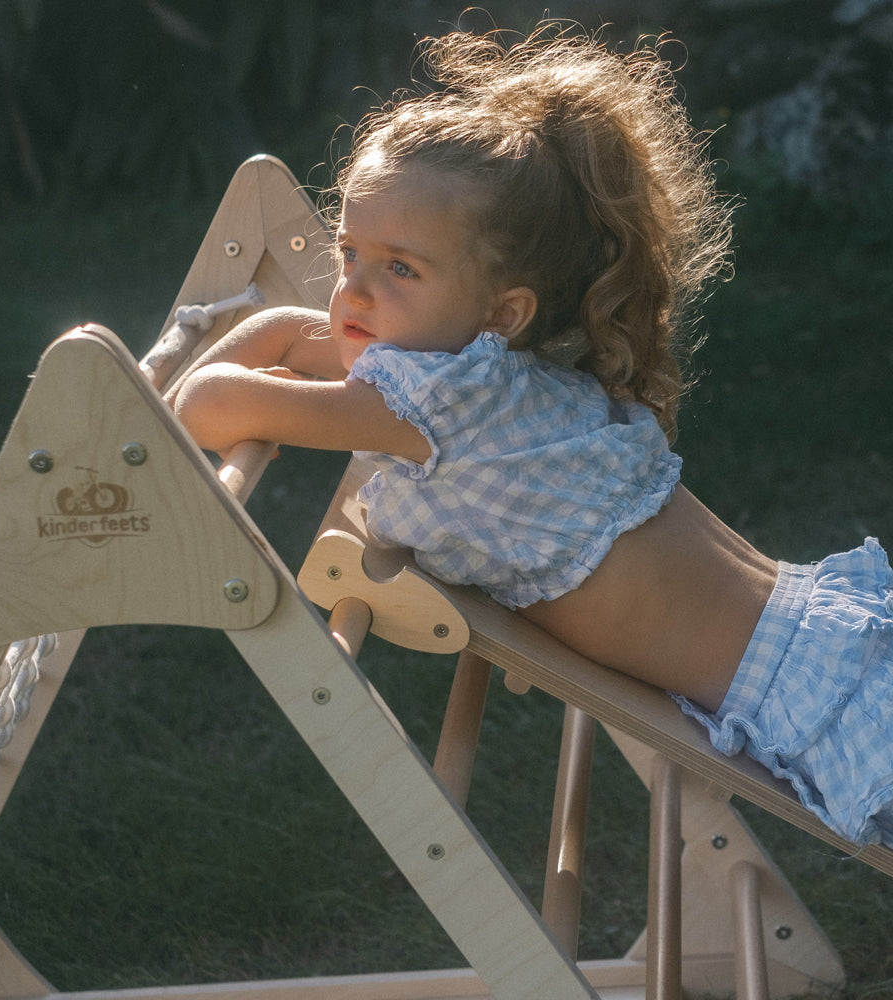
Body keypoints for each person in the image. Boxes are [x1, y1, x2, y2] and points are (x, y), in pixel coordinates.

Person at [166, 24, 892, 848]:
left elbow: (208, 406)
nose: (354, 292)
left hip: (813, 697)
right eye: (348, 253)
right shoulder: (491, 372)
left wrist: (189, 372)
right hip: (824, 641)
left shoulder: (420, 409)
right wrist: (301, 333)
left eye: (399, 268)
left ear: (501, 310)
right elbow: (300, 336)